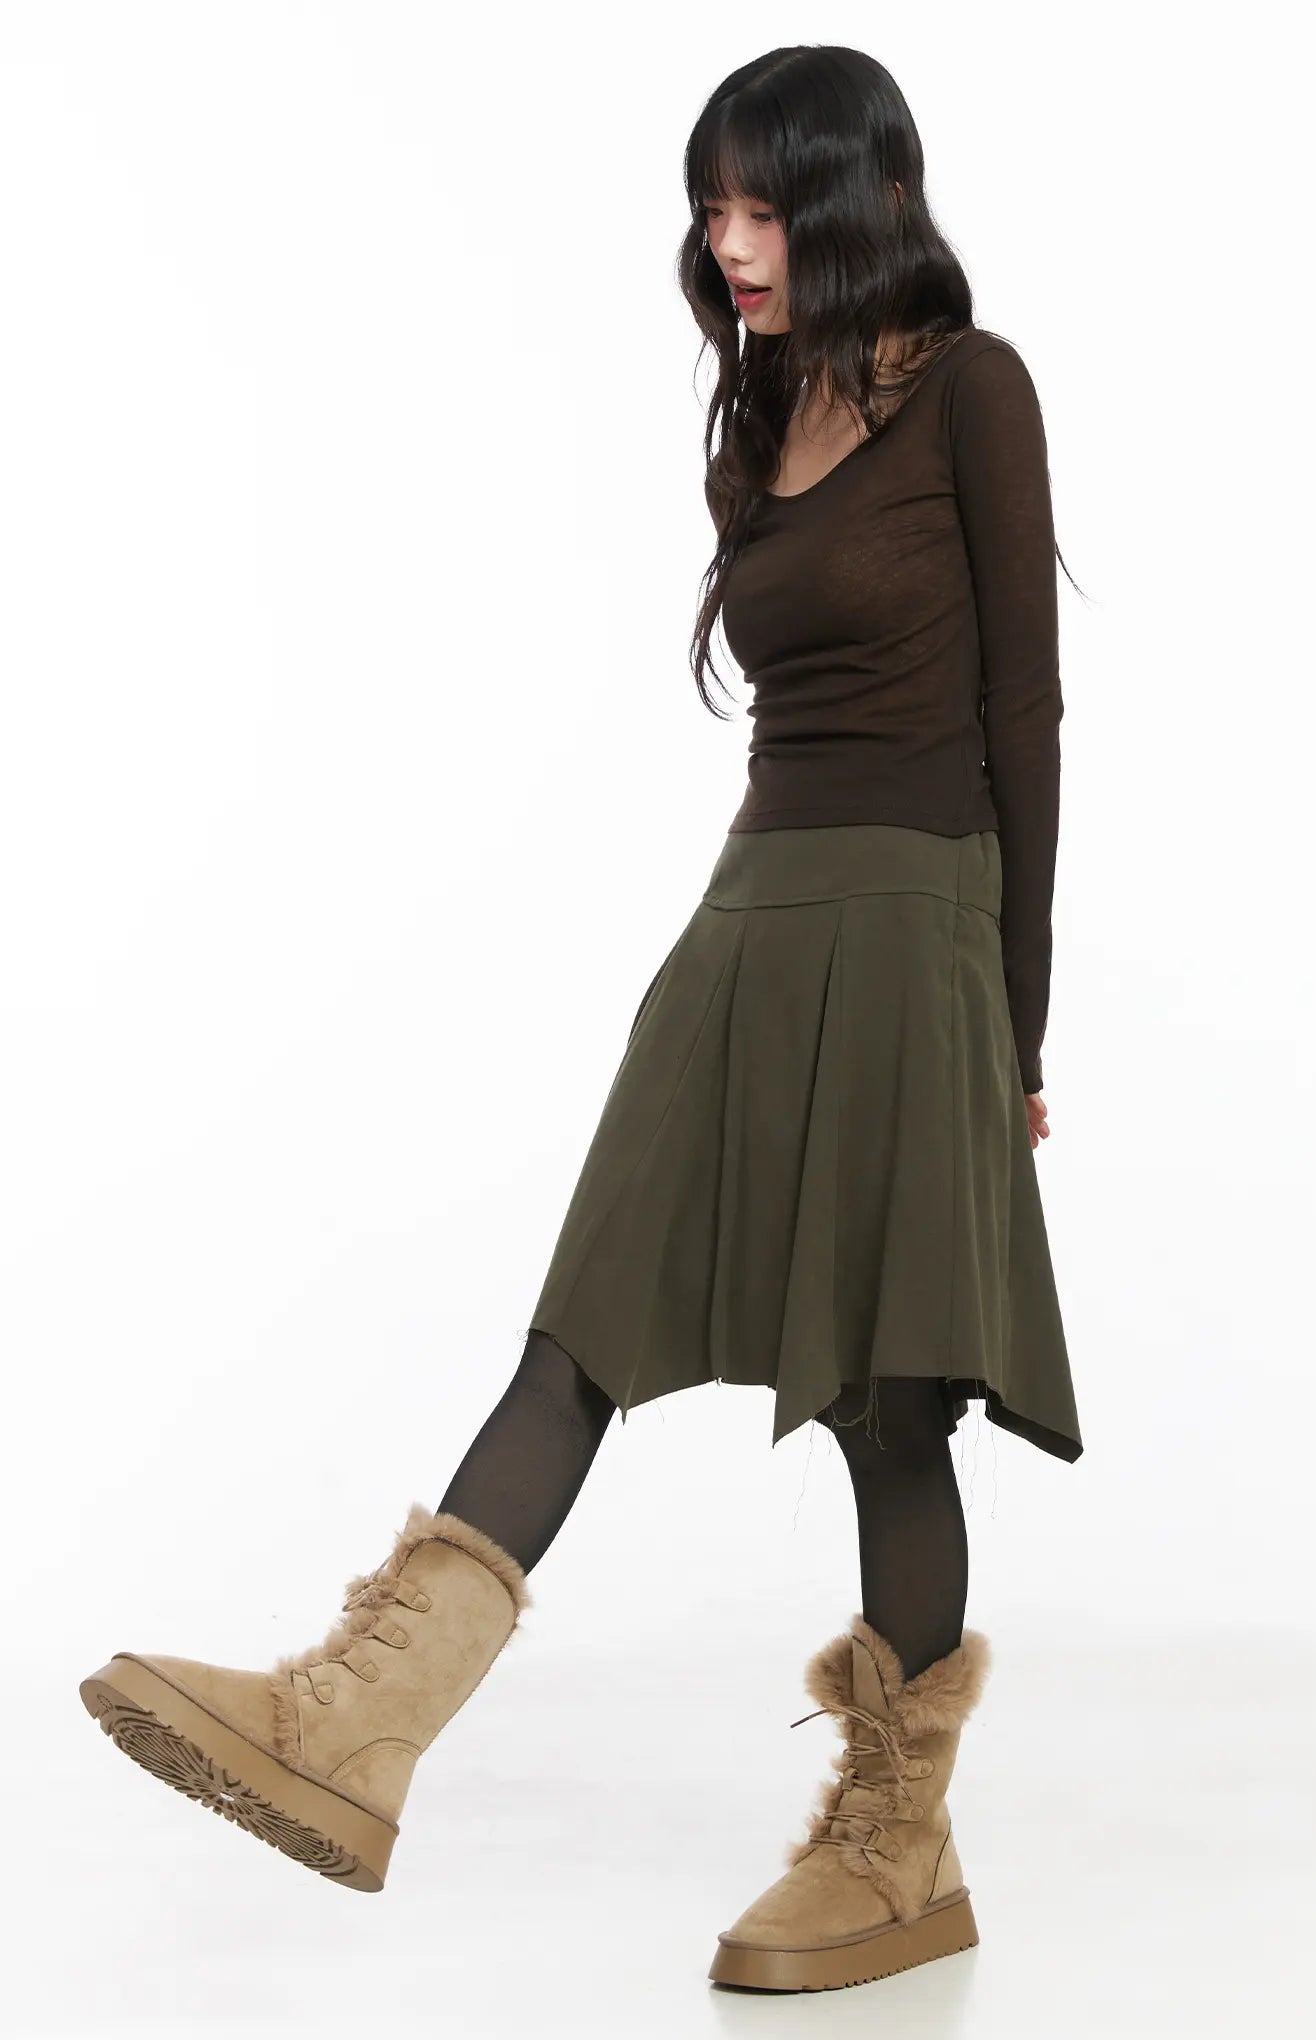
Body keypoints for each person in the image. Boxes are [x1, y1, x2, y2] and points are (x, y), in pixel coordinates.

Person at [78, 42, 1084, 1995]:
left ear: (859, 198)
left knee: (889, 1400)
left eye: (764, 206)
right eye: (712, 209)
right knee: (588, 1320)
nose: (730, 246)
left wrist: (1017, 1026)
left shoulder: (975, 389)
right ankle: (351, 1728)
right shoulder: (766, 412)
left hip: (921, 919)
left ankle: (896, 1844)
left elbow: (1026, 717)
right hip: (752, 915)